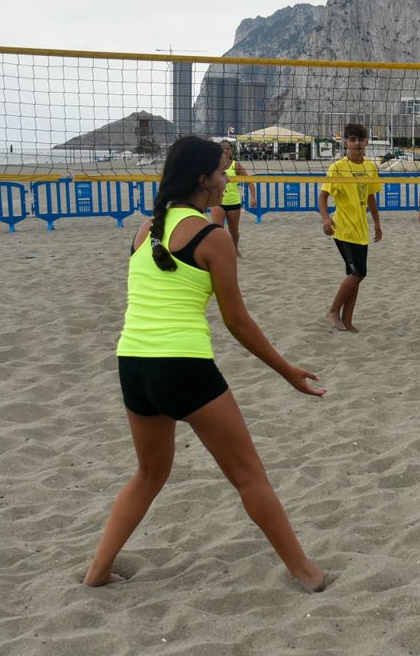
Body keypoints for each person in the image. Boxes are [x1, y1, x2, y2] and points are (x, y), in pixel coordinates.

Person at [83, 135, 330, 592]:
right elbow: (237, 322)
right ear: (203, 181)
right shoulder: (213, 237)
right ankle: (306, 572)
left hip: (133, 364)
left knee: (149, 473)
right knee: (248, 475)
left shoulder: (143, 231)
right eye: (221, 172)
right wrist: (287, 370)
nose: (226, 178)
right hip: (183, 365)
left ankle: (97, 572)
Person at [318, 123, 381, 332]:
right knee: (358, 274)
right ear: (346, 142)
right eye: (352, 140)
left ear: (366, 143)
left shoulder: (370, 167)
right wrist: (326, 218)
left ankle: (348, 320)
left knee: (354, 276)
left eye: (361, 140)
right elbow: (323, 196)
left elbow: (371, 196)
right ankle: (334, 310)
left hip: (361, 228)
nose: (357, 144)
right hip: (343, 228)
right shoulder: (337, 167)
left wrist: (378, 223)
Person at [211, 139, 253, 255]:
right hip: (217, 201)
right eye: (223, 149)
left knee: (233, 231)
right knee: (217, 229)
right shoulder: (213, 165)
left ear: (231, 150)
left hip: (233, 201)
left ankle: (235, 249)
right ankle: (220, 252)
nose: (225, 151)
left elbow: (249, 180)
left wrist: (253, 197)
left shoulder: (236, 165)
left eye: (228, 148)